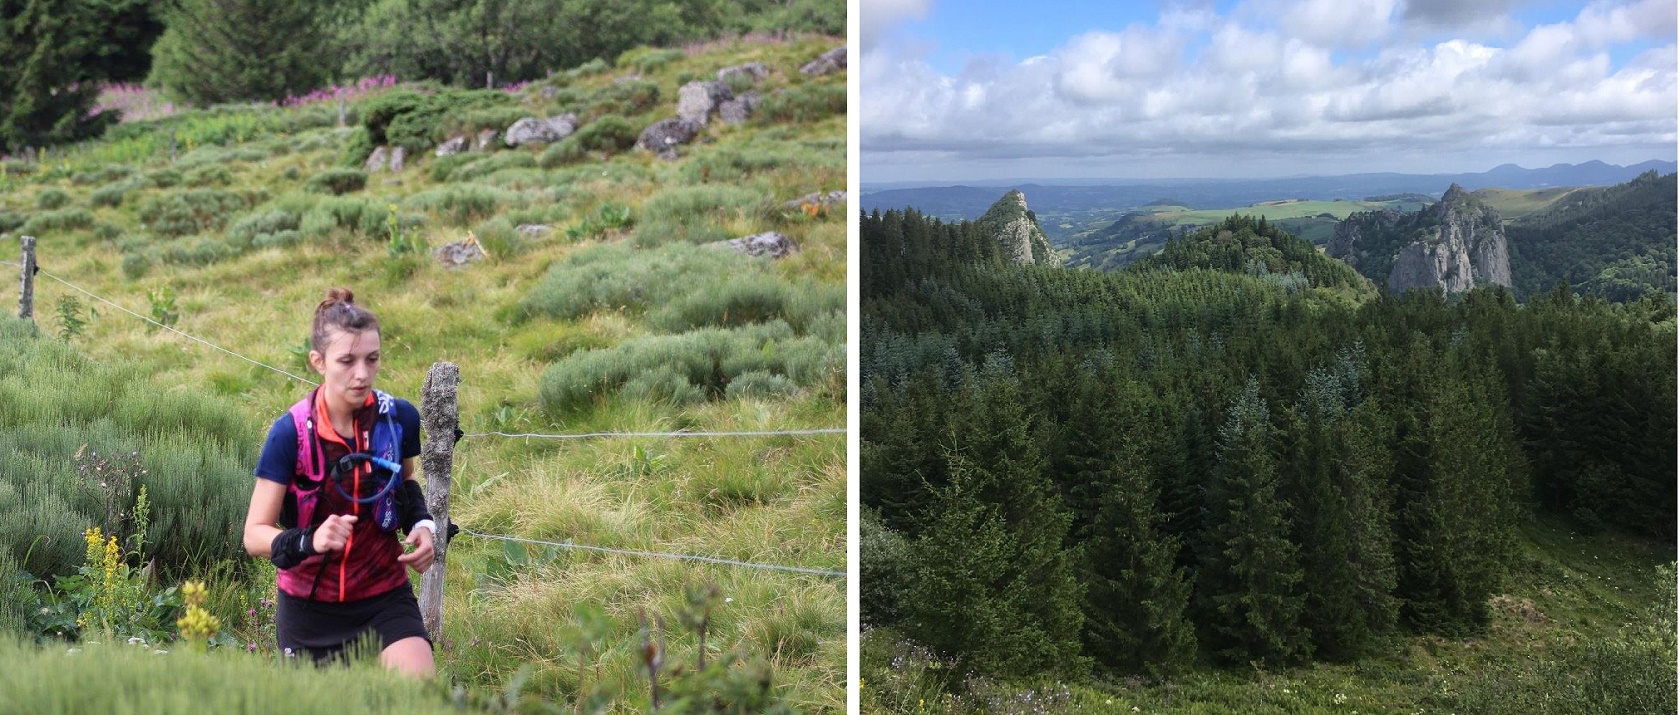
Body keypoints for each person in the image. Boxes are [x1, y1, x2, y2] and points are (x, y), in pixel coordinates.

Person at [243, 288, 437, 677]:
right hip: (310, 609)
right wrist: (309, 539)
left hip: (385, 595)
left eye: (372, 359)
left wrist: (422, 525)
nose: (362, 374)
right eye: (346, 361)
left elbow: (406, 481)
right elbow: (253, 536)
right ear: (318, 361)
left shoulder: (398, 419)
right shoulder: (290, 434)